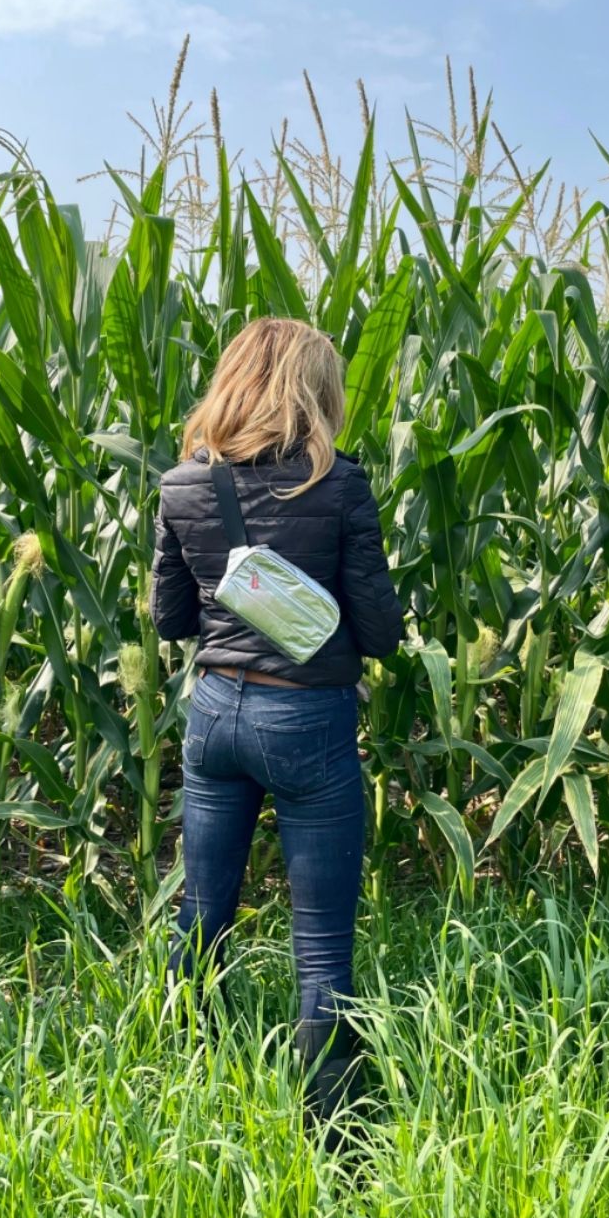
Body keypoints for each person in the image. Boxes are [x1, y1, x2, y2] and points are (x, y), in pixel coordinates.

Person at [149, 315, 404, 1137]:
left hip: (215, 713)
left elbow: (170, 619)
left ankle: (182, 1095)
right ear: (313, 389)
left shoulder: (181, 485)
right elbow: (381, 632)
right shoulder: (338, 485)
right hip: (309, 721)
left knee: (202, 912)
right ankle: (334, 1137)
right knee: (322, 940)